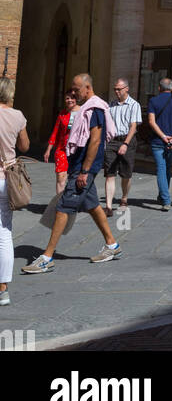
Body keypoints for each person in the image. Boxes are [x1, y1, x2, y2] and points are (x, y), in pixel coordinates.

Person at [22, 72, 121, 274]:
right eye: (73, 90)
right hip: (81, 165)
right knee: (92, 205)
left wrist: (85, 171)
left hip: (84, 167)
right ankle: (112, 245)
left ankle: (47, 257)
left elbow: (95, 141)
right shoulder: (88, 107)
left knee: (63, 206)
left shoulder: (94, 109)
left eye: (77, 89)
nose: (74, 93)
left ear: (87, 87)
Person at [0, 77, 30, 306]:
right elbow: (25, 147)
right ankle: (3, 289)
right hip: (7, 180)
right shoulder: (18, 116)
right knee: (4, 232)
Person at [105, 77, 142, 216]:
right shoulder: (111, 105)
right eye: (115, 89)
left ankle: (124, 198)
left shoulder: (134, 105)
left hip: (128, 140)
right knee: (109, 173)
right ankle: (108, 206)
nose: (116, 91)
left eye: (119, 89)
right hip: (113, 141)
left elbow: (133, 126)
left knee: (126, 174)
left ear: (126, 88)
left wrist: (125, 143)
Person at [147, 77, 172, 211]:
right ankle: (164, 195)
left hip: (158, 141)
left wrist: (163, 136)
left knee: (162, 169)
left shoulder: (153, 101)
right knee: (167, 168)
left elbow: (151, 122)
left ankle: (165, 199)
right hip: (171, 143)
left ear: (159, 88)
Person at [44, 89, 77, 195]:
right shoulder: (62, 114)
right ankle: (59, 204)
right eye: (67, 98)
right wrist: (48, 150)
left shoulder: (81, 112)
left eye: (72, 98)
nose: (70, 100)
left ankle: (71, 202)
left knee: (74, 179)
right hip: (62, 149)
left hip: (76, 150)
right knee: (60, 178)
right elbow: (55, 133)